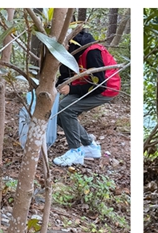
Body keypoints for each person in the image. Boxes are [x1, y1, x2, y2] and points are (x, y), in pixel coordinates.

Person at [52, 29, 121, 167]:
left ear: (72, 42)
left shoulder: (92, 52)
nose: (63, 48)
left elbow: (100, 85)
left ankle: (75, 151)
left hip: (106, 89)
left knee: (66, 110)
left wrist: (72, 89)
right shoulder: (70, 54)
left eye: (64, 44)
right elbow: (65, 77)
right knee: (58, 114)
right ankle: (90, 146)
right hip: (85, 85)